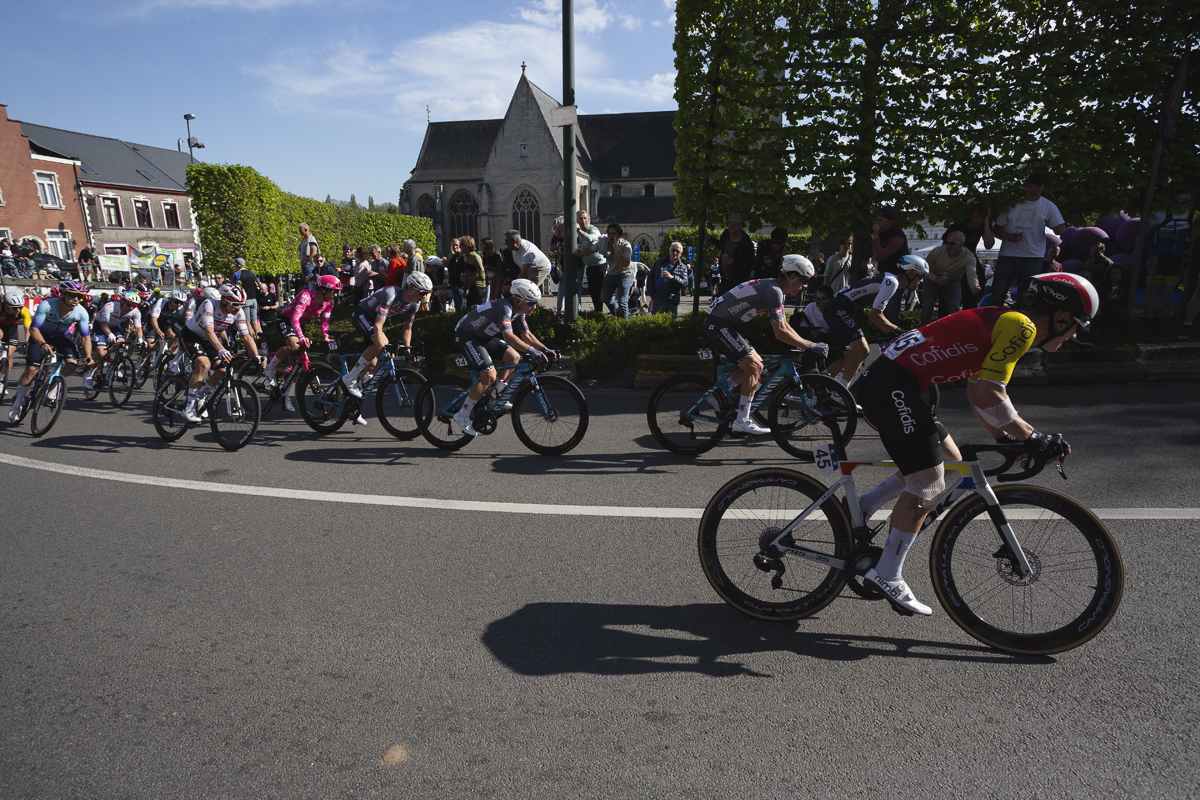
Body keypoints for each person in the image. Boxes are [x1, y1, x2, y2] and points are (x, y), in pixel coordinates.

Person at [853, 272, 1098, 615]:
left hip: (895, 383)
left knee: (951, 460)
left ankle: (864, 506)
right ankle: (888, 574)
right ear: (1061, 317)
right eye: (1076, 327)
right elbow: (989, 394)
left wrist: (1004, 439)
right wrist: (1034, 438)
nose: (1073, 336)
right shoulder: (1021, 328)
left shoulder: (1006, 321)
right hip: (893, 387)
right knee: (929, 482)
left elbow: (976, 392)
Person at [701, 255, 829, 435]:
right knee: (755, 366)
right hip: (718, 323)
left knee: (755, 365)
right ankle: (742, 421)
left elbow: (784, 326)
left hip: (720, 322)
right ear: (792, 277)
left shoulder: (776, 290)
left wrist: (807, 344)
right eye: (804, 280)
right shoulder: (774, 291)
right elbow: (780, 333)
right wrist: (812, 346)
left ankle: (718, 396)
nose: (805, 286)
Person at [450, 278, 554, 436]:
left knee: (514, 357)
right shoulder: (505, 307)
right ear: (518, 300)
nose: (534, 307)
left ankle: (496, 395)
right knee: (488, 376)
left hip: (483, 337)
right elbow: (508, 336)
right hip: (466, 335)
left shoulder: (518, 311)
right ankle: (462, 415)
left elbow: (527, 335)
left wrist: (545, 349)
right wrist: (532, 351)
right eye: (531, 303)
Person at [818, 255, 929, 387]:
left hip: (836, 309)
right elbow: (875, 316)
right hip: (838, 310)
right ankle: (839, 395)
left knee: (851, 356)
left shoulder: (889, 279)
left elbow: (876, 317)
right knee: (863, 351)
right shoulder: (892, 282)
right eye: (920, 276)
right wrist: (900, 332)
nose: (921, 281)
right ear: (911, 273)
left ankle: (816, 382)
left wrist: (893, 331)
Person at [343, 272, 433, 422]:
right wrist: (382, 347)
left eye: (427, 294)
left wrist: (407, 351)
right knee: (383, 344)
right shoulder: (391, 293)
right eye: (422, 292)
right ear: (411, 288)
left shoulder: (414, 304)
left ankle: (353, 402)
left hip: (373, 321)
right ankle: (350, 377)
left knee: (373, 366)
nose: (424, 297)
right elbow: (378, 326)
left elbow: (407, 329)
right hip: (362, 315)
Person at [6, 281, 93, 421]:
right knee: (31, 370)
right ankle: (17, 403)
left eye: (79, 296)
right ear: (63, 295)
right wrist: (43, 344)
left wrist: (88, 355)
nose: (76, 299)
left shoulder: (81, 312)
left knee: (72, 363)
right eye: (72, 295)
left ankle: (53, 388)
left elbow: (85, 336)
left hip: (61, 336)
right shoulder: (47, 305)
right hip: (41, 335)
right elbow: (34, 328)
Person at [178, 284, 264, 423]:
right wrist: (221, 349)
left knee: (221, 371)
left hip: (208, 340)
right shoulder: (209, 304)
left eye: (241, 304)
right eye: (235, 304)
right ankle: (188, 408)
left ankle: (201, 397)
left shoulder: (239, 312)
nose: (238, 307)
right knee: (204, 365)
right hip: (191, 335)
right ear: (224, 300)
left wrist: (257, 355)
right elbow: (208, 331)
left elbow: (246, 336)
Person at [991, 173, 1068, 311]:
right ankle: (990, 325)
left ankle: (1022, 328)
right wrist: (1008, 236)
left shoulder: (1048, 206)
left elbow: (1061, 228)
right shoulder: (1012, 203)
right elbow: (997, 227)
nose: (1033, 190)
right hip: (1008, 254)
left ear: (1043, 188)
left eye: (1037, 187)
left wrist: (1059, 228)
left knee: (1027, 297)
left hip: (1033, 256)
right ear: (1026, 186)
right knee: (997, 294)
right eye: (1030, 186)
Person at [264, 274, 339, 411]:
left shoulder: (329, 303)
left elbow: (324, 324)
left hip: (300, 324)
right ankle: (270, 367)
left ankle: (285, 395)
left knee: (294, 366)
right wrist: (301, 336)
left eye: (337, 292)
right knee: (295, 345)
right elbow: (294, 318)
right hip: (287, 320)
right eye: (334, 291)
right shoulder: (306, 296)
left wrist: (327, 338)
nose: (335, 295)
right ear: (323, 290)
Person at [1143, 191, 1194, 326]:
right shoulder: (1160, 215)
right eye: (1176, 201)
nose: (1179, 204)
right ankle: (1148, 321)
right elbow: (1143, 232)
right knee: (1152, 292)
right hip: (1157, 256)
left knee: (1167, 293)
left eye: (1183, 202)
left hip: (1176, 259)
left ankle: (1157, 320)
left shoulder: (1193, 217)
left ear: (1190, 204)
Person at [84, 291, 144, 390]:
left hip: (115, 327)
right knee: (101, 352)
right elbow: (104, 325)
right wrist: (110, 335)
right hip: (100, 326)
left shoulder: (136, 311)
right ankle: (89, 372)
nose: (131, 308)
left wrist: (141, 339)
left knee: (122, 345)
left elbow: (138, 328)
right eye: (129, 304)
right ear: (122, 301)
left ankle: (114, 367)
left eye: (134, 306)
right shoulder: (110, 306)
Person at [921, 231, 981, 324]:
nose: (948, 245)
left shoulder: (968, 256)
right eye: (947, 242)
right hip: (932, 280)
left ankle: (952, 331)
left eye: (952, 243)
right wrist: (935, 278)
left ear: (961, 244)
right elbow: (925, 269)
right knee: (927, 307)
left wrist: (974, 285)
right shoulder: (937, 252)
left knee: (954, 307)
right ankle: (923, 332)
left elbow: (972, 273)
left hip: (953, 281)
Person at [706, 212, 755, 295]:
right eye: (729, 224)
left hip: (739, 281)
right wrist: (708, 237)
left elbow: (751, 261)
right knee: (721, 303)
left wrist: (734, 261)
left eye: (734, 224)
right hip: (725, 280)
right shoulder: (726, 236)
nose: (731, 227)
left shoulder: (745, 242)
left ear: (739, 225)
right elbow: (720, 245)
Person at [598, 223, 635, 318]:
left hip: (625, 274)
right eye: (609, 233)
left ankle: (623, 324)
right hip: (611, 274)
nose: (611, 236)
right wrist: (579, 252)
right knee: (605, 298)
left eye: (613, 234)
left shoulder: (626, 245)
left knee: (622, 301)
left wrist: (616, 248)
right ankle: (618, 315)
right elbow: (591, 249)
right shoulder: (604, 242)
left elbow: (625, 263)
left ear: (619, 235)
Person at [573, 210, 606, 312]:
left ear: (589, 219)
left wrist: (578, 230)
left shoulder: (593, 229)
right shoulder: (577, 233)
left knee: (601, 293)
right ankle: (598, 313)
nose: (583, 220)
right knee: (593, 292)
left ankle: (613, 313)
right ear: (577, 220)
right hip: (590, 267)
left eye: (585, 218)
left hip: (599, 266)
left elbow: (591, 239)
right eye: (580, 218)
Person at [1, 291, 33, 395]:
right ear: (6, 306)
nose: (18, 310)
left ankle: (2, 380)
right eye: (15, 308)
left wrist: (27, 343)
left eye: (19, 307)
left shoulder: (24, 311)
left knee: (10, 354)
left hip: (11, 329)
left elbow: (27, 329)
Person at [649, 242, 689, 317]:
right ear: (669, 251)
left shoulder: (682, 267)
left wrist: (672, 277)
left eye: (677, 251)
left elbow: (685, 283)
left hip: (672, 301)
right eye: (673, 250)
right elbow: (650, 277)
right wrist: (652, 293)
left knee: (671, 325)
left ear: (681, 253)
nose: (675, 252)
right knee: (656, 324)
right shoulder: (659, 262)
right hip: (658, 299)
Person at [871, 207, 910, 276]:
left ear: (890, 222)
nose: (877, 223)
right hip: (886, 273)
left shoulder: (897, 237)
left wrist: (875, 235)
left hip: (898, 275)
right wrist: (864, 260)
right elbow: (872, 249)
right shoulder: (883, 232)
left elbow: (879, 256)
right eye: (876, 220)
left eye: (880, 220)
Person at [232, 258, 264, 338]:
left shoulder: (237, 275)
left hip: (245, 300)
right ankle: (258, 338)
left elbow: (236, 288)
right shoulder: (251, 273)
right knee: (255, 320)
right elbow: (258, 286)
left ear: (237, 264)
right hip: (254, 299)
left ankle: (251, 340)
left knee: (247, 322)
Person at [460, 236, 487, 307]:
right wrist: (465, 289)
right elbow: (466, 273)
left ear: (468, 245)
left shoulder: (475, 257)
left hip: (478, 287)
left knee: (478, 309)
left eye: (462, 245)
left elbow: (482, 273)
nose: (460, 247)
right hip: (471, 286)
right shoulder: (465, 257)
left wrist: (483, 288)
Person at [481, 238, 503, 303]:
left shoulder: (496, 255)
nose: (480, 246)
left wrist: (490, 267)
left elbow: (500, 267)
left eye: (482, 244)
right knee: (492, 295)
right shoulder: (485, 255)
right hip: (491, 277)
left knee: (497, 294)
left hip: (499, 277)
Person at [446, 238, 465, 311]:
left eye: (456, 245)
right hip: (454, 286)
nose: (455, 247)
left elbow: (464, 272)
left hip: (461, 287)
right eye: (453, 245)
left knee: (462, 307)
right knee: (457, 307)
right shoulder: (453, 258)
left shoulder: (463, 257)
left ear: (460, 246)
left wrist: (460, 285)